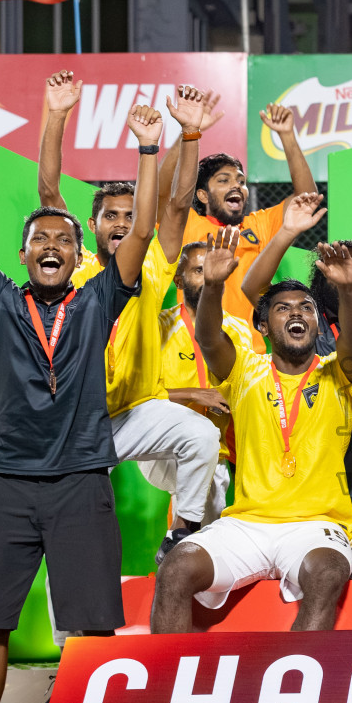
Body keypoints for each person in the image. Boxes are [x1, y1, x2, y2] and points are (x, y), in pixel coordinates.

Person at [0, 98, 159, 703]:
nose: (50, 247)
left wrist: (148, 151)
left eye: (63, 240)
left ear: (78, 255)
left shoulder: (97, 300)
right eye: (40, 238)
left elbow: (145, 230)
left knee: (93, 624)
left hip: (79, 480)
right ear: (24, 252)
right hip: (9, 480)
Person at [152, 231, 352, 633]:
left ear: (317, 322)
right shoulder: (246, 370)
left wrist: (349, 291)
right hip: (247, 524)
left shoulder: (339, 372)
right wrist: (214, 285)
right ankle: (168, 691)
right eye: (283, 309)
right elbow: (209, 338)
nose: (297, 313)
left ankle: (298, 688)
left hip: (316, 524)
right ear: (265, 327)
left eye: (306, 307)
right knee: (177, 568)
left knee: (326, 573)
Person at [38, 71, 223, 538]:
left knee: (202, 441)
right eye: (109, 216)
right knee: (69, 529)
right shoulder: (75, 268)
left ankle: (183, 537)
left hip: (138, 412)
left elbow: (177, 206)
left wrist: (191, 134)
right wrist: (57, 114)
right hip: (80, 419)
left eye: (128, 214)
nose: (121, 223)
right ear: (91, 224)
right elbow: (48, 193)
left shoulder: (153, 267)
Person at [235, 192, 352, 579]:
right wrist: (285, 233)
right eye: (346, 263)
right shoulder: (305, 328)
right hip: (313, 493)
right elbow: (253, 292)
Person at [183, 101, 317, 345]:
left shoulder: (258, 225)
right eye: (223, 180)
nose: (236, 185)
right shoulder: (187, 225)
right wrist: (190, 132)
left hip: (249, 354)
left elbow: (305, 200)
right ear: (202, 195)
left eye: (241, 181)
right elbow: (164, 201)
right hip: (194, 350)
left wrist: (287, 135)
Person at [159, 238, 245, 549]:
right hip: (165, 448)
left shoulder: (238, 330)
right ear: (179, 280)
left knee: (210, 549)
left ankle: (179, 546)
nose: (208, 275)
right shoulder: (158, 327)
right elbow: (141, 397)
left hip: (219, 455)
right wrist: (198, 394)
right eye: (198, 270)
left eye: (211, 268)